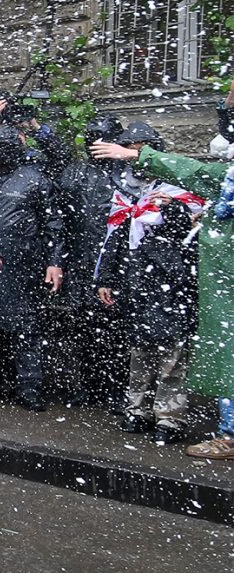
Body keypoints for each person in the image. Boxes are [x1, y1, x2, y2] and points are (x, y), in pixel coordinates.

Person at [92, 122, 234, 458]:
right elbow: (115, 239)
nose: (133, 154)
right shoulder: (124, 191)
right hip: (137, 282)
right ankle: (136, 409)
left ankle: (170, 416)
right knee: (139, 353)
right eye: (131, 147)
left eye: (140, 146)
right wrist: (106, 278)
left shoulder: (180, 191)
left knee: (173, 356)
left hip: (173, 285)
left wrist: (170, 211)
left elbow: (190, 237)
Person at [0, 126, 65, 411]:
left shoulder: (34, 180)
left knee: (26, 328)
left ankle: (28, 386)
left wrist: (54, 261)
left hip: (23, 263)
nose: (0, 152)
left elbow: (53, 225)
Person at [55, 116, 129, 407]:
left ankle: (113, 388)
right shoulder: (75, 173)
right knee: (85, 329)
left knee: (114, 328)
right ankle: (87, 385)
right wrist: (58, 260)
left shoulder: (127, 174)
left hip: (116, 263)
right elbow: (59, 220)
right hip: (81, 261)